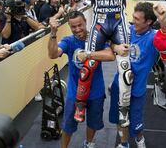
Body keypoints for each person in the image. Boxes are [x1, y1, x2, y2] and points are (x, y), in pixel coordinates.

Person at [65, 0, 158, 128]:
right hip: (98, 23)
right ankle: (80, 104)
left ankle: (123, 109)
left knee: (125, 64)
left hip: (118, 23)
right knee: (88, 63)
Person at [109, 2, 166, 148]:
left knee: (136, 120)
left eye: (137, 19)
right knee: (119, 117)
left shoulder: (154, 37)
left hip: (137, 89)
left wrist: (163, 21)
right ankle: (124, 143)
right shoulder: (126, 30)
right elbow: (109, 42)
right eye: (133, 17)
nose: (133, 21)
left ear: (149, 22)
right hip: (119, 84)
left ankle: (140, 139)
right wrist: (115, 47)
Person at [47, 11, 115, 148]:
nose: (77, 29)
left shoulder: (97, 39)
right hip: (75, 92)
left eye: (80, 25)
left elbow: (110, 55)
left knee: (93, 123)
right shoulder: (69, 41)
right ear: (69, 27)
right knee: (68, 125)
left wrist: (89, 54)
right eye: (73, 27)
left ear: (85, 22)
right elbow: (53, 54)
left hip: (96, 91)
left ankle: (89, 143)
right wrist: (53, 33)